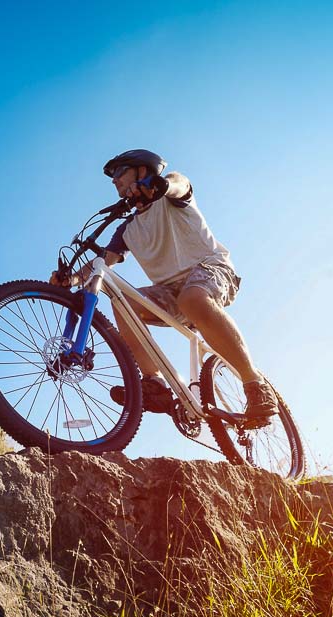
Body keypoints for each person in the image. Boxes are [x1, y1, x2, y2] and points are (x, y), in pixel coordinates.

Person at [51, 149, 279, 425]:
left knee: (192, 299)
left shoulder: (171, 198)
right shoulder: (127, 229)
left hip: (210, 269)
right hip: (170, 292)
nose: (114, 181)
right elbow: (103, 262)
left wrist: (162, 186)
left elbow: (180, 182)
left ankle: (255, 385)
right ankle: (154, 383)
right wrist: (72, 278)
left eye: (120, 171)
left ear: (143, 171)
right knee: (124, 302)